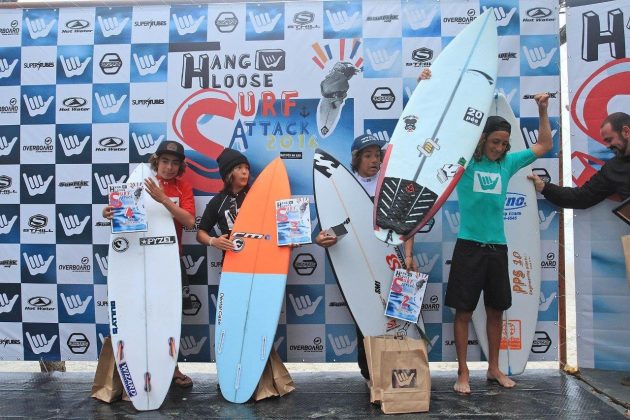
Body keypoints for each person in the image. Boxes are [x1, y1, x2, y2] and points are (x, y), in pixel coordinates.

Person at [445, 93, 552, 394]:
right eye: (495, 142)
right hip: (468, 246)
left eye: (504, 143)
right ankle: (462, 372)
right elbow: (443, 132)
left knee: (496, 310)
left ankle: (493, 368)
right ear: (482, 139)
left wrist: (542, 110)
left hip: (497, 248)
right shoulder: (464, 162)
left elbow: (544, 145)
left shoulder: (507, 163)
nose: (500, 147)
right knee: (463, 312)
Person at [528, 111, 630, 386]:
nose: (608, 146)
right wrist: (544, 187)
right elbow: (582, 198)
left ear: (627, 132)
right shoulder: (613, 168)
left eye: (611, 140)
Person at [314, 132, 420, 380]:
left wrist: (409, 256)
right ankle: (372, 376)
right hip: (361, 265)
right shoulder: (344, 188)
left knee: (403, 318)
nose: (375, 160)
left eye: (378, 155)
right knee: (368, 316)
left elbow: (407, 224)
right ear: (356, 159)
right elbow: (335, 227)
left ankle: (407, 375)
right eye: (368, 155)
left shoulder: (390, 185)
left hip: (394, 261)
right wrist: (320, 238)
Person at [102, 140, 195, 388]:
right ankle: (130, 369)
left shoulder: (183, 186)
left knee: (167, 315)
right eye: (165, 161)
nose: (169, 167)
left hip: (169, 261)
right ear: (156, 162)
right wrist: (110, 212)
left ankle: (170, 368)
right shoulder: (139, 181)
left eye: (175, 163)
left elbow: (188, 221)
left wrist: (164, 199)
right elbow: (123, 213)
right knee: (136, 313)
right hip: (136, 262)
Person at [196, 148, 250, 253]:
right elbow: (200, 234)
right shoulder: (218, 201)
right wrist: (213, 241)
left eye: (247, 168)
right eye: (239, 168)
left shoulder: (257, 195)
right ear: (228, 173)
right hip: (231, 263)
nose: (244, 172)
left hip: (259, 260)